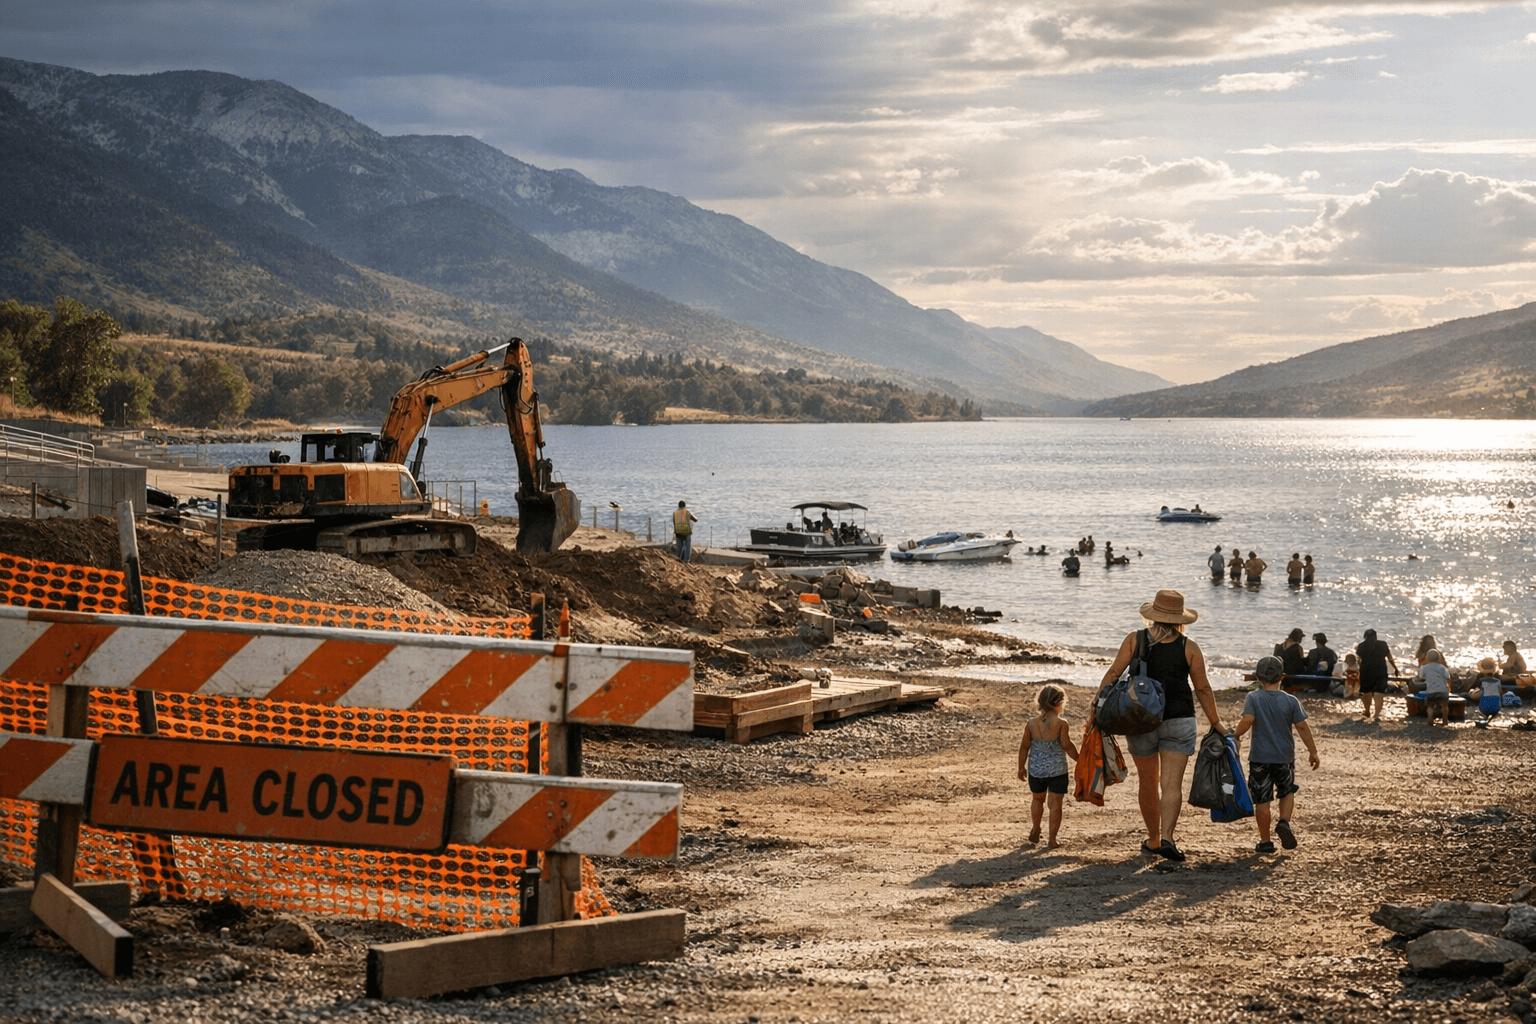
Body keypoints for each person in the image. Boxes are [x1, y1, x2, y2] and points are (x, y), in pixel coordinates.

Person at [1096, 589, 1227, 863]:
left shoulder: (1135, 640)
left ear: (1153, 616)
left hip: (1140, 720)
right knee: (1171, 785)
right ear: (1181, 619)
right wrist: (1216, 722)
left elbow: (1113, 673)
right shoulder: (1189, 647)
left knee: (1148, 782)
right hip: (1179, 720)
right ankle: (1168, 837)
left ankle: (1153, 840)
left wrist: (1096, 706)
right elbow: (1202, 687)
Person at [1234, 656, 1320, 854]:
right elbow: (1302, 727)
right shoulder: (1291, 700)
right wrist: (1312, 751)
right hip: (1284, 758)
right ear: (1282, 677)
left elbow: (1248, 719)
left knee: (1262, 800)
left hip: (1259, 758)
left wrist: (1236, 734)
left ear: (1257, 677)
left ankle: (1265, 841)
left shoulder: (1253, 698)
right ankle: (1284, 821)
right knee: (1287, 791)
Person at [1017, 684, 1080, 849]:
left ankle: (1036, 827)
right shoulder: (1061, 723)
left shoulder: (1031, 723)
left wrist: (1021, 767)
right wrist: (1079, 759)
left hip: (1036, 770)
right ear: (1060, 703)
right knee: (1055, 805)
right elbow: (1067, 746)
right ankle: (1052, 839)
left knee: (1037, 799)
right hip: (1057, 771)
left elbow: (1024, 746)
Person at [1355, 628, 1398, 723]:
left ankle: (1367, 711)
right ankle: (1376, 715)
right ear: (1376, 636)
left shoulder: (1361, 646)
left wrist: (1358, 670)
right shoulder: (1383, 644)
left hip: (1366, 670)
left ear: (1365, 636)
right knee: (1379, 693)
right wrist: (1395, 668)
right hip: (1381, 670)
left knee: (1366, 692)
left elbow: (1359, 660)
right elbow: (1389, 657)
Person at [1413, 649, 1451, 727]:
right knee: (1444, 704)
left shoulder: (1424, 667)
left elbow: (1421, 677)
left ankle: (1430, 718)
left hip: (1431, 690)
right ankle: (1445, 719)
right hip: (1443, 690)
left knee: (1430, 705)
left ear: (1427, 658)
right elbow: (1448, 678)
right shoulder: (1443, 667)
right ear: (1439, 658)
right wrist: (1449, 687)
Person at [1474, 657, 1504, 727]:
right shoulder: (1498, 680)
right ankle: (1490, 718)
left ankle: (1486, 718)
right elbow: (1501, 692)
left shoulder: (1481, 679)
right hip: (1496, 707)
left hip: (1484, 707)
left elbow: (1479, 690)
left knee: (1483, 697)